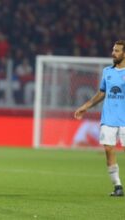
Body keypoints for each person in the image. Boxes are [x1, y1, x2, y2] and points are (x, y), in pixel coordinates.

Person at [74, 40, 125, 197]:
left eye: (117, 51)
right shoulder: (107, 71)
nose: (113, 53)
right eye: (113, 50)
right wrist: (85, 106)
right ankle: (117, 186)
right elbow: (102, 93)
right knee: (109, 150)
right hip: (108, 118)